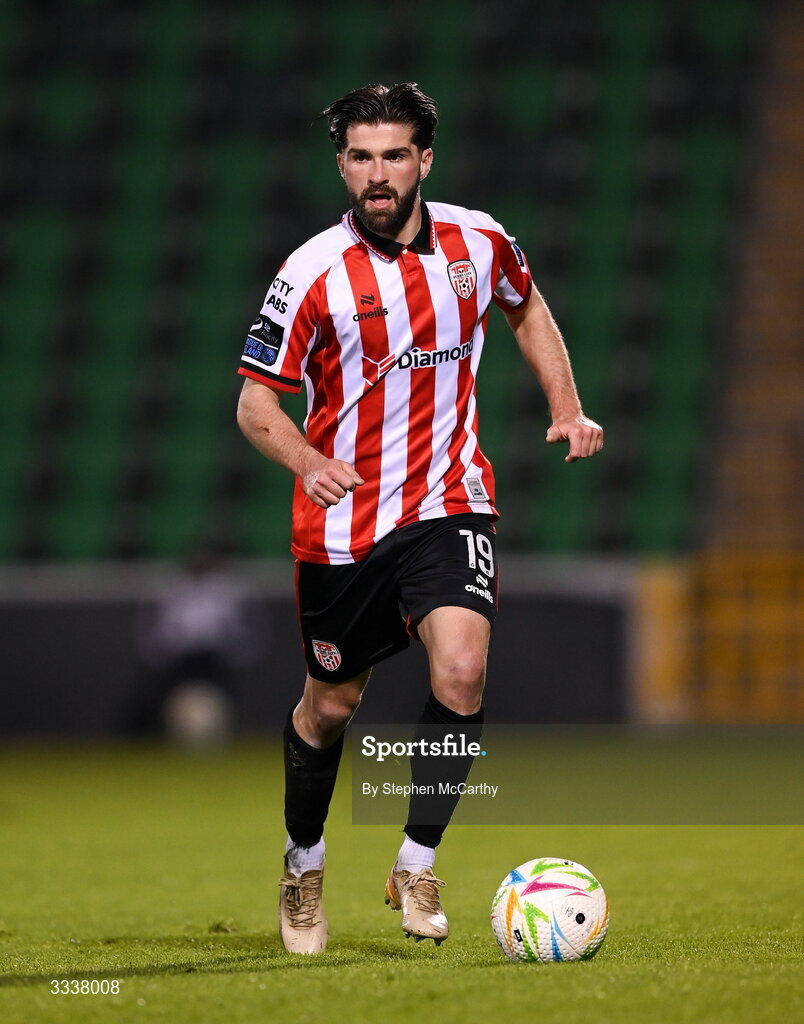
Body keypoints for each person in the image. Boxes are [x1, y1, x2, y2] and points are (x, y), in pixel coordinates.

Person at [236, 83, 603, 955]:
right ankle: (304, 865)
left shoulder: (480, 240)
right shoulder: (311, 269)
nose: (377, 173)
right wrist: (309, 461)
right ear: (341, 164)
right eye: (360, 156)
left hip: (448, 499)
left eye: (394, 155)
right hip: (344, 526)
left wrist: (567, 403)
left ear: (424, 160)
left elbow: (527, 306)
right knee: (329, 708)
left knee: (464, 671)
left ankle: (417, 860)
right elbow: (255, 405)